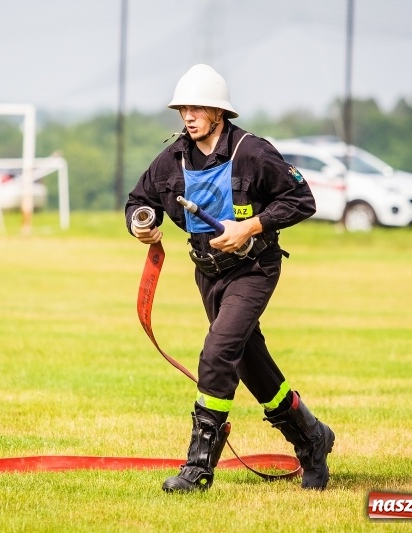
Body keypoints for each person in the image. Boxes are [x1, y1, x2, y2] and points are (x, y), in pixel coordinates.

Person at [125, 64, 335, 492]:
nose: (188, 115)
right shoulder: (172, 159)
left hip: (253, 268)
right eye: (183, 107)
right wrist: (140, 223)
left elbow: (302, 200)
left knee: (218, 352)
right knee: (248, 362)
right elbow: (139, 200)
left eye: (197, 107)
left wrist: (251, 225)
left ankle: (198, 469)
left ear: (220, 112)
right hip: (207, 274)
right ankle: (312, 438)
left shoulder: (253, 152)